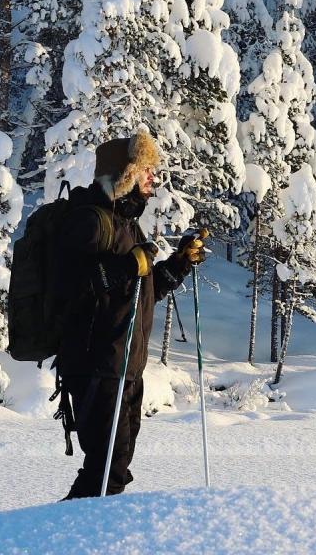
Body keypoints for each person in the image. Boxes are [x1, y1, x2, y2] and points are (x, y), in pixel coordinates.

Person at [54, 129, 206, 500]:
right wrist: (126, 268)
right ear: (125, 175)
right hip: (96, 365)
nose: (153, 179)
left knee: (113, 468)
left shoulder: (126, 225)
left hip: (123, 366)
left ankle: (82, 537)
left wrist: (180, 264)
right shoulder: (89, 221)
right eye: (146, 171)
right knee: (107, 471)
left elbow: (139, 293)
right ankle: (57, 538)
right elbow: (75, 285)